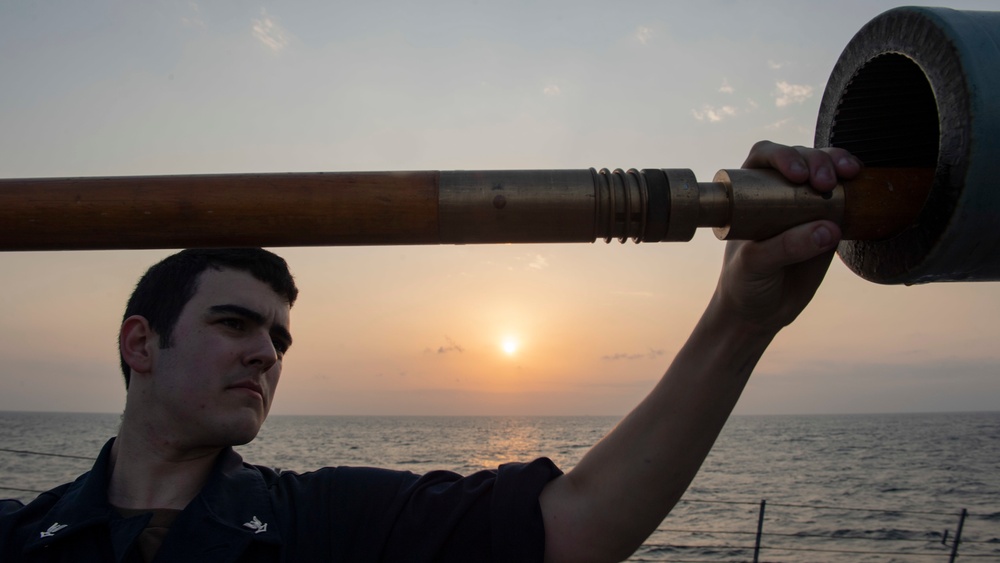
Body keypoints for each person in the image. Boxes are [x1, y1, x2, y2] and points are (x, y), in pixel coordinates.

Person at [0, 141, 861, 563]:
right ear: (139, 343)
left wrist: (739, 322)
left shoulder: (329, 524)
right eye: (235, 323)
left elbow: (578, 524)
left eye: (279, 336)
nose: (268, 353)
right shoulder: (18, 536)